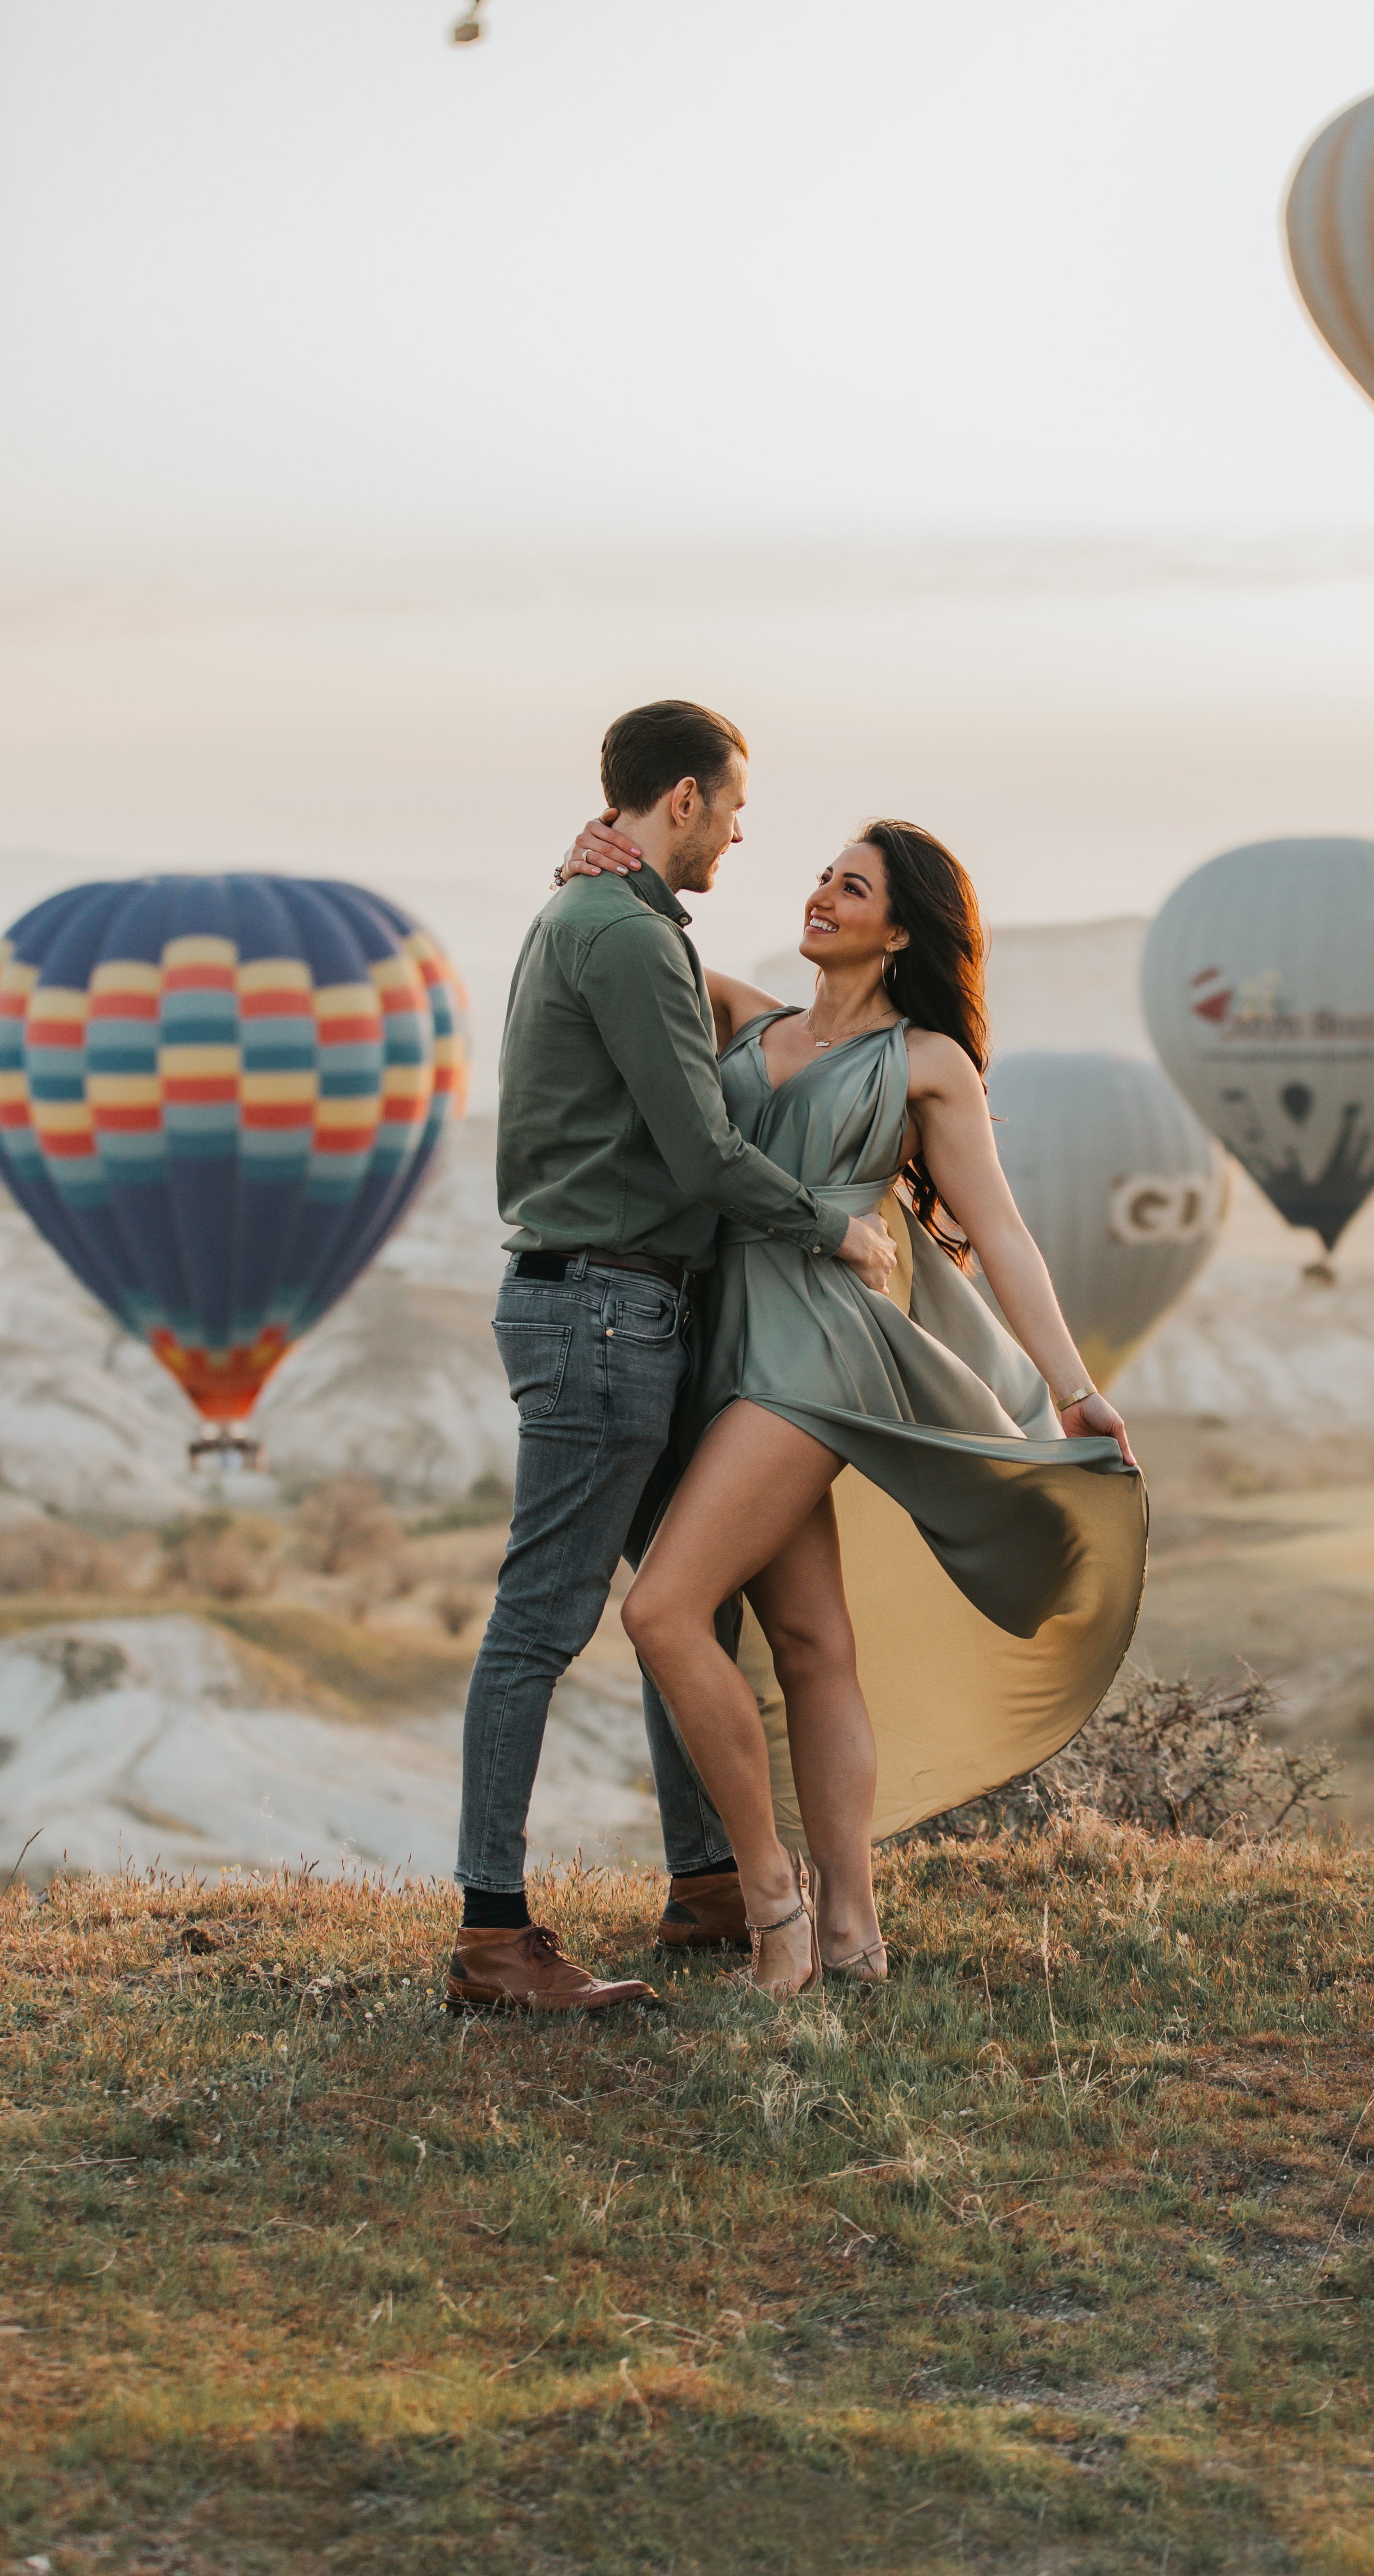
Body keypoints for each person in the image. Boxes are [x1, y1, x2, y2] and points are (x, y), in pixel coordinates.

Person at [563, 810, 1147, 1996]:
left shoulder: (928, 1062)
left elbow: (1005, 1234)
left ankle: (771, 1897)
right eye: (826, 877)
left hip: (814, 1354)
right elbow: (635, 946)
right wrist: (593, 860)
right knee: (814, 1644)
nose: (823, 897)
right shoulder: (749, 1020)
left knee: (664, 1614)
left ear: (900, 932)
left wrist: (1076, 1389)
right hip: (721, 1346)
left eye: (855, 888)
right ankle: (853, 1933)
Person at [447, 702, 898, 2017]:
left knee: (693, 1604)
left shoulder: (601, 919)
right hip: (604, 1313)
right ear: (684, 800)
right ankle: (493, 1934)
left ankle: (709, 1882)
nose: (749, 832)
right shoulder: (625, 933)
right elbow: (702, 1154)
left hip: (614, 1310)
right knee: (540, 1626)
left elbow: (756, 1038)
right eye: (736, 805)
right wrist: (838, 1227)